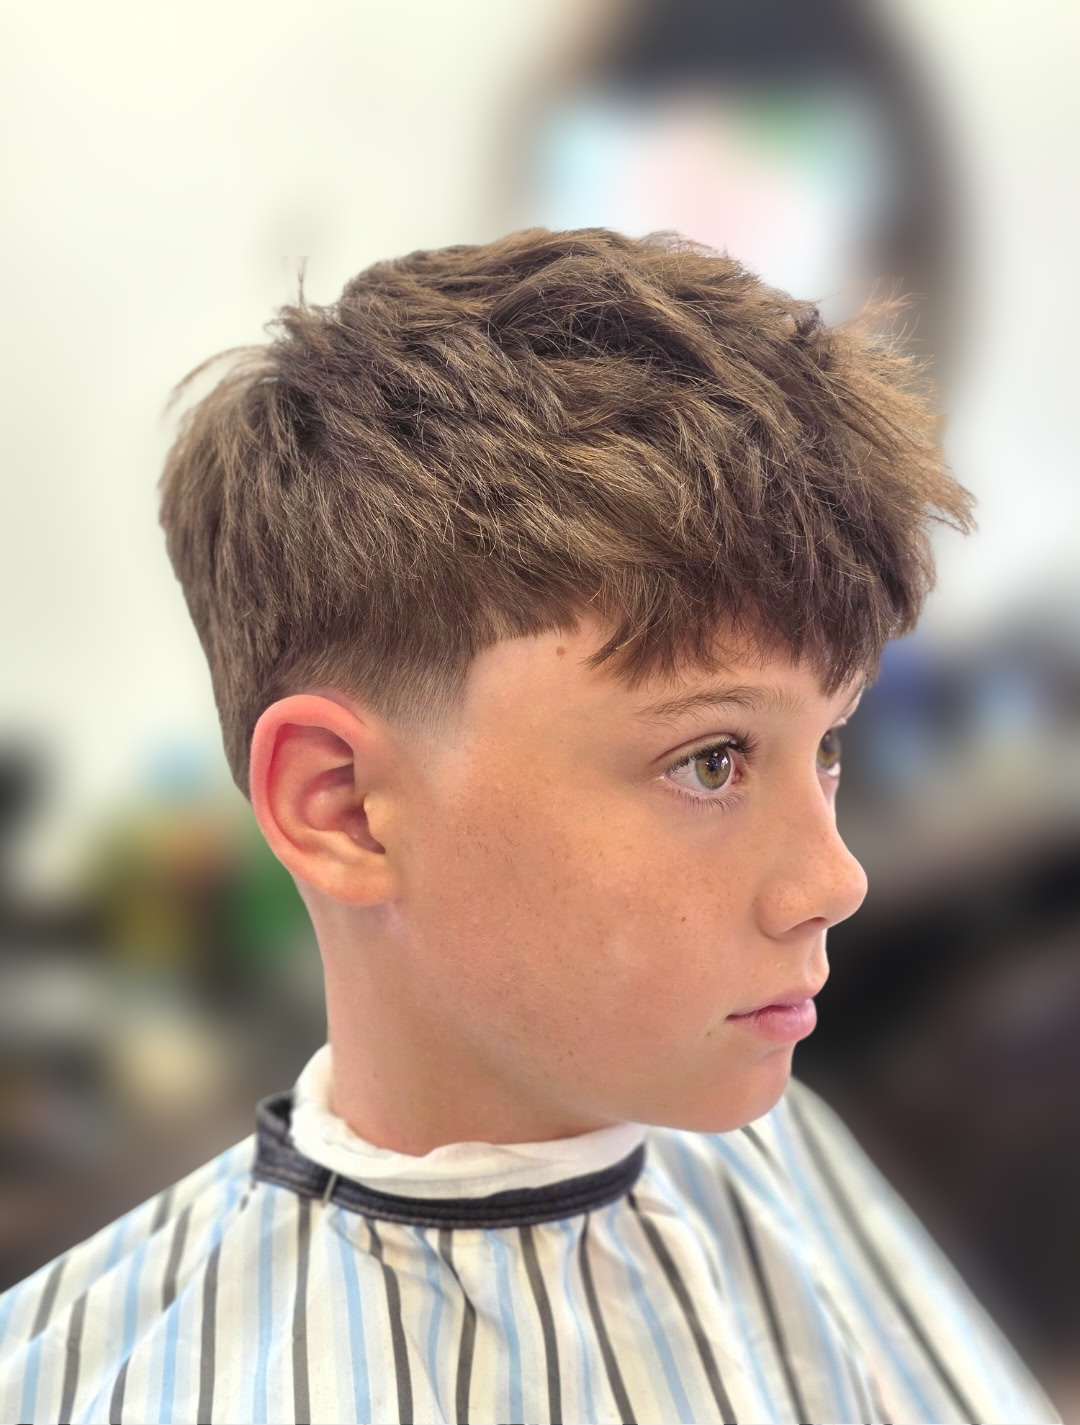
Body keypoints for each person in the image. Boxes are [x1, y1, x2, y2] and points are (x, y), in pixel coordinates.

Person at [0, 229, 1058, 1425]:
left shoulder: (783, 1158)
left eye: (827, 745)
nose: (833, 880)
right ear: (342, 807)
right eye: (711, 761)